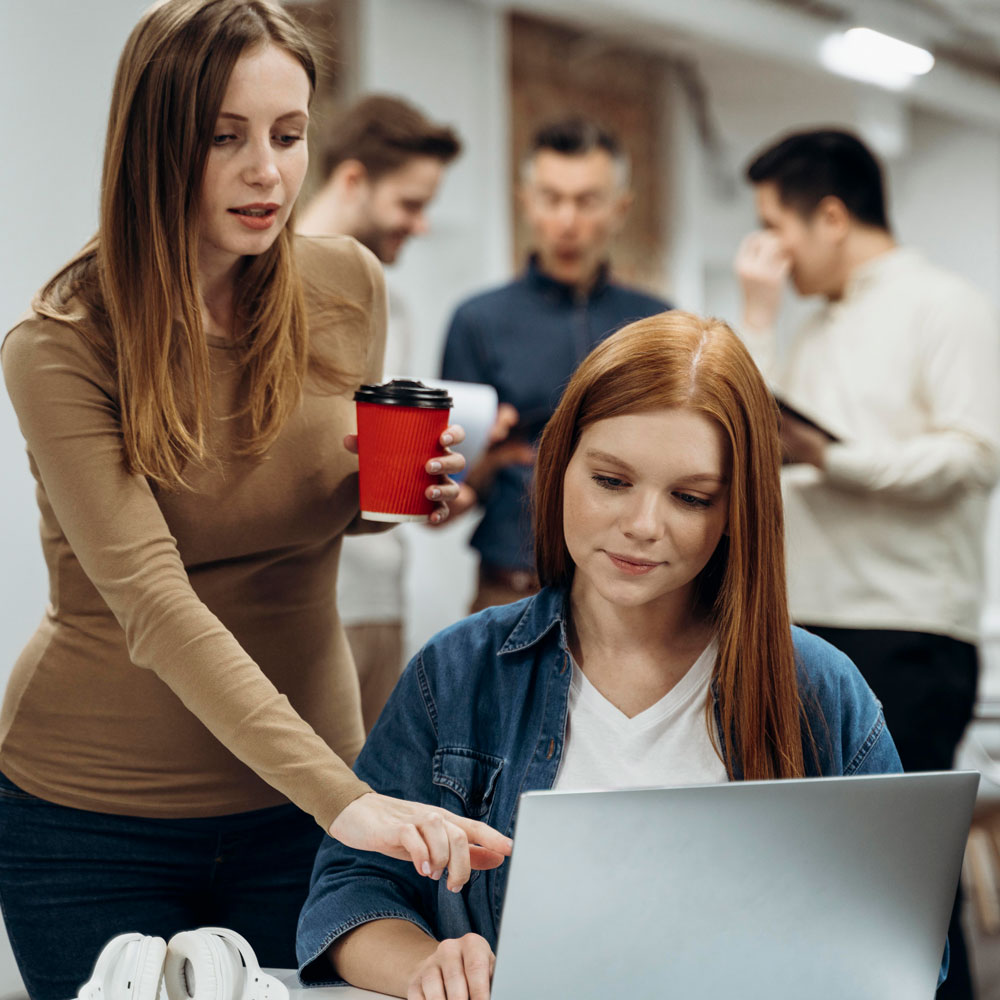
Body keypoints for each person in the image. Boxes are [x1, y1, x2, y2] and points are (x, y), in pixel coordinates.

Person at [0, 4, 509, 999]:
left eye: (288, 135)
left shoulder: (346, 285)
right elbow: (151, 594)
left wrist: (388, 495)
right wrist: (348, 799)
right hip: (95, 821)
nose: (266, 171)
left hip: (299, 803)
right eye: (222, 137)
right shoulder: (61, 342)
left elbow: (309, 505)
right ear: (153, 144)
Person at [296, 311, 905, 1000]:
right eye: (611, 481)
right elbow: (350, 893)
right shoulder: (460, 672)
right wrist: (423, 965)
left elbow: (901, 943)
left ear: (738, 510)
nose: (643, 526)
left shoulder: (817, 688)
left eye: (690, 497)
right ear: (558, 466)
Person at [734, 127, 1000, 1000]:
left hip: (909, 633)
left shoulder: (944, 305)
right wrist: (762, 317)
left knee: (904, 882)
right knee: (812, 879)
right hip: (810, 626)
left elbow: (972, 455)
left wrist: (832, 459)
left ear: (834, 217)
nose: (770, 248)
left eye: (778, 226)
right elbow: (749, 437)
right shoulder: (814, 328)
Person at [440, 116, 670, 613]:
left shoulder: (660, 324)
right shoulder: (477, 320)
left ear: (620, 208)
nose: (567, 220)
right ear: (525, 201)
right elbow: (455, 481)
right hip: (511, 587)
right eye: (551, 198)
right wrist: (458, 482)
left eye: (587, 201)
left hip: (637, 594)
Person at [297, 95, 462, 733]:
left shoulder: (394, 302)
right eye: (411, 204)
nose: (420, 225)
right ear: (354, 180)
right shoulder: (266, 293)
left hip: (379, 597)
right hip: (309, 603)